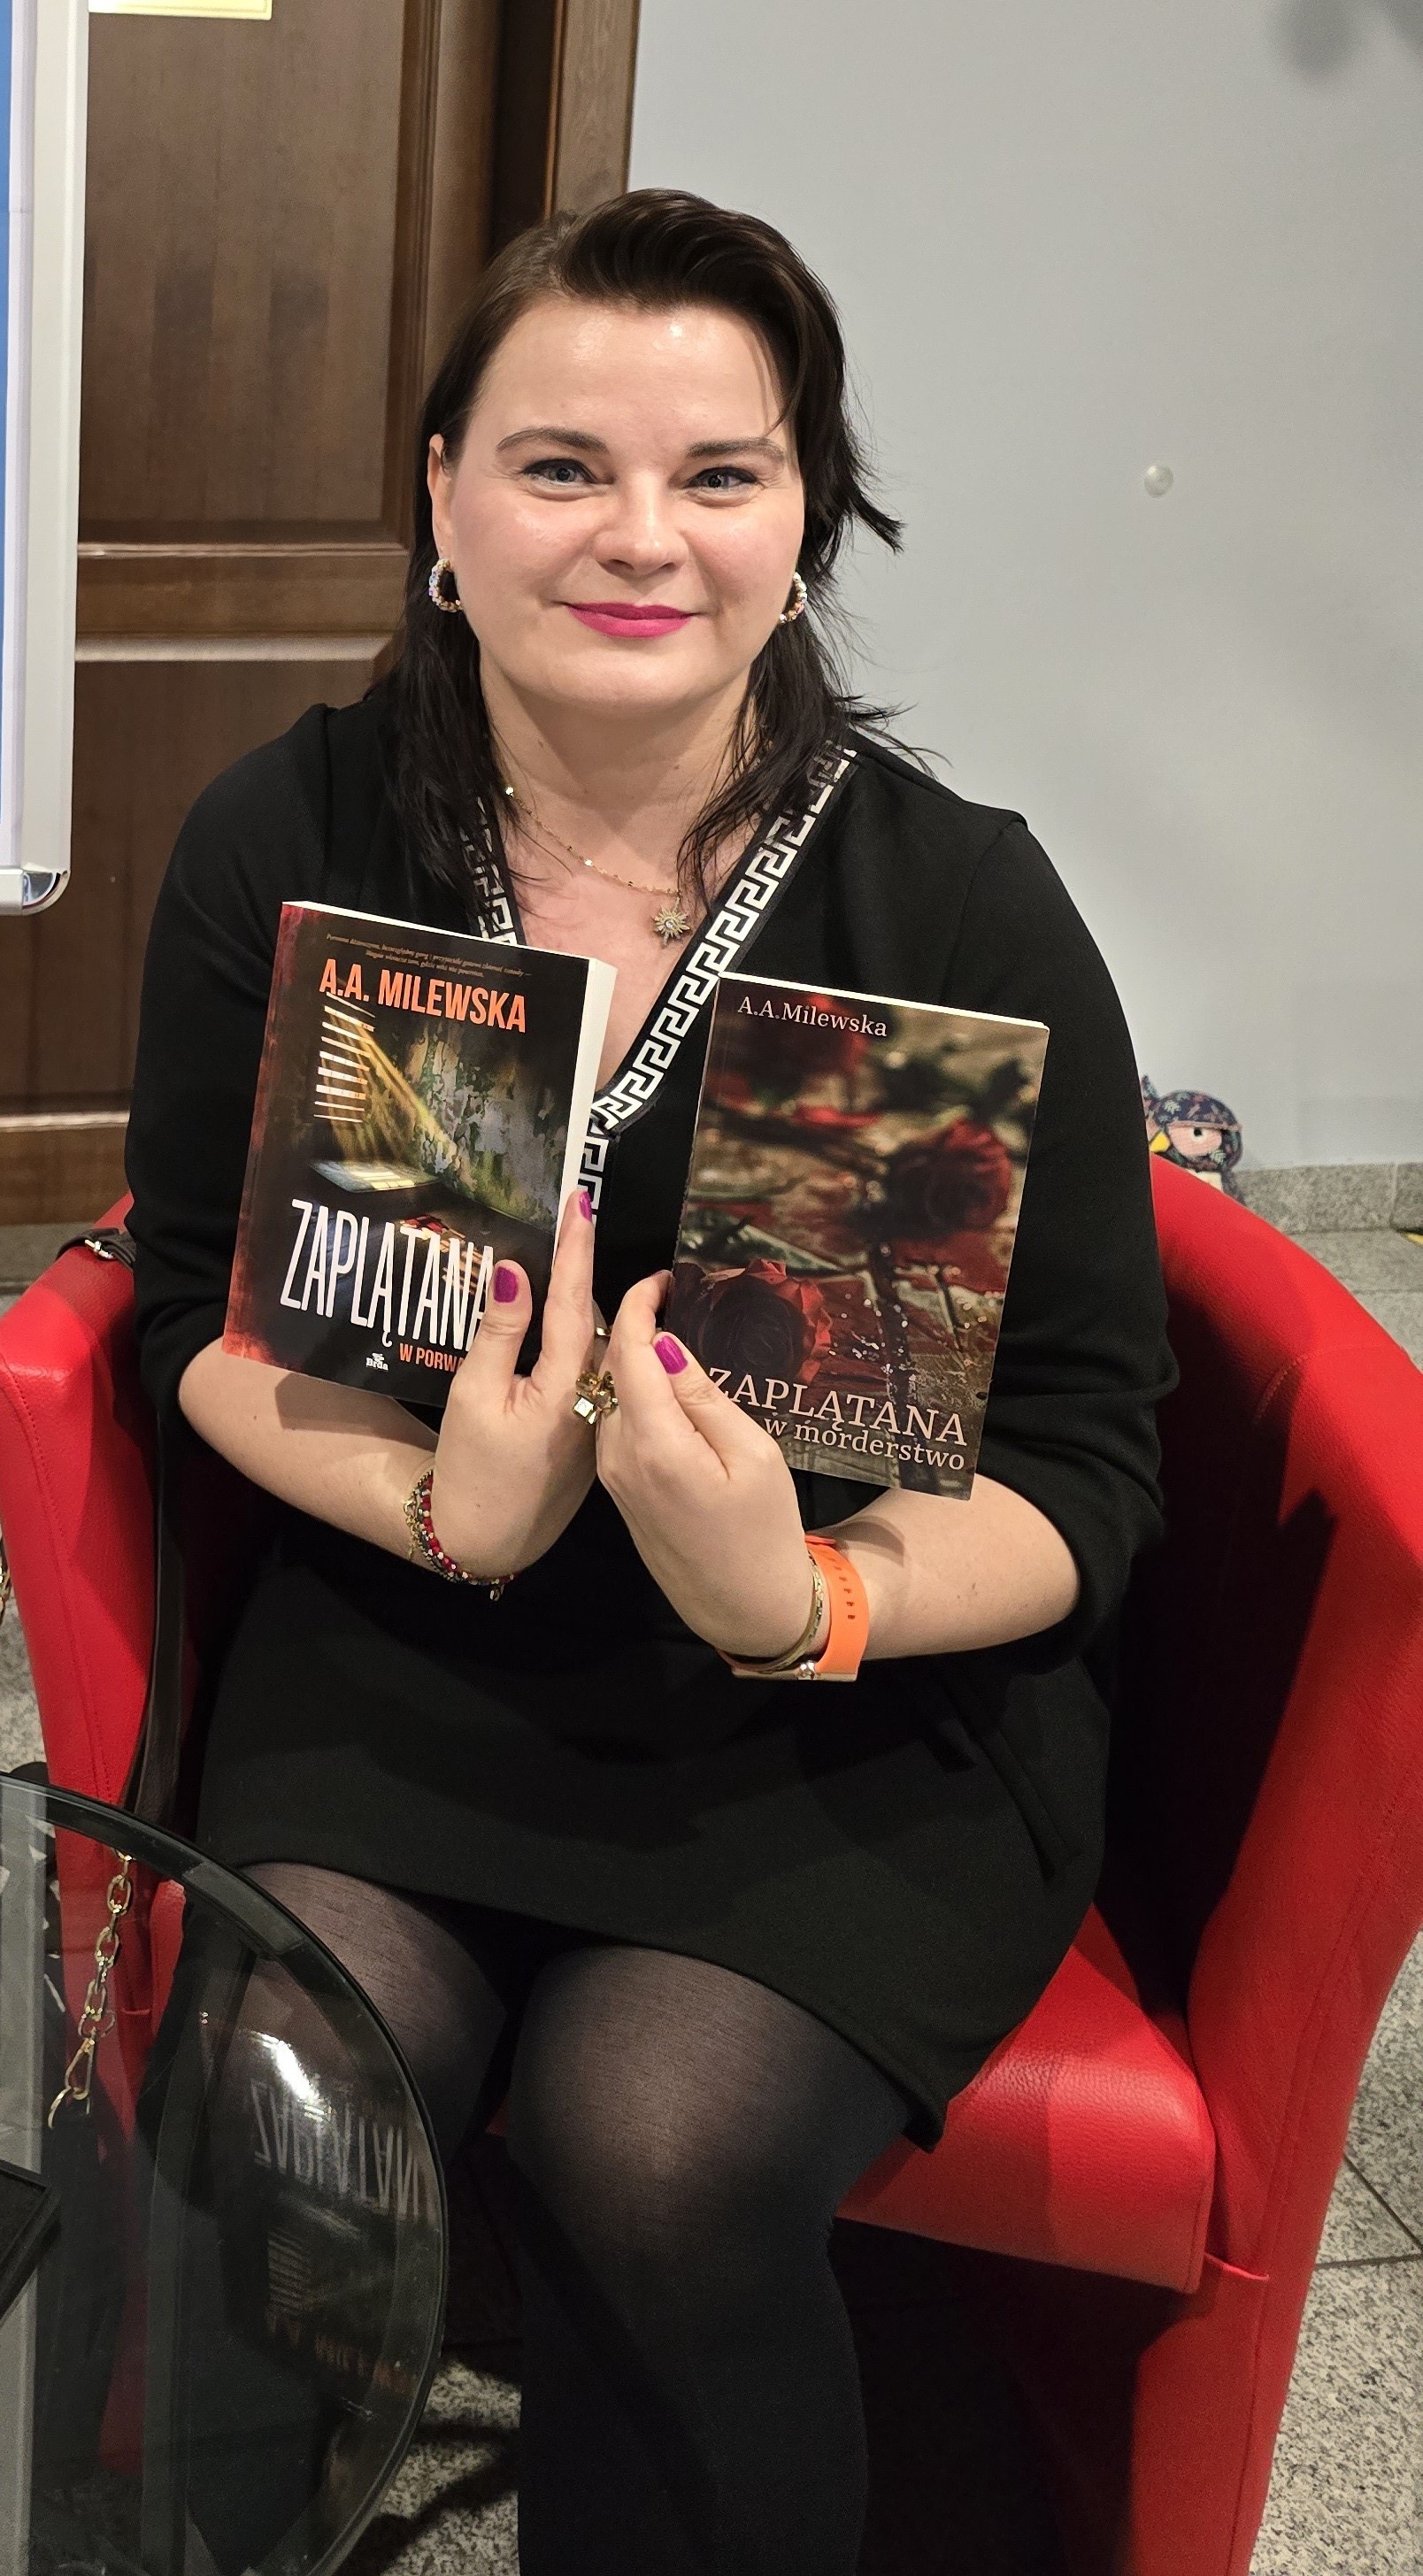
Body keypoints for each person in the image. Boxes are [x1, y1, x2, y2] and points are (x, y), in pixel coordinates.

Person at [125, 191, 1169, 2576]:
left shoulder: (945, 904)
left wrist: (795, 1592)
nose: (639, 536)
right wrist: (443, 1511)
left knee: (657, 2140)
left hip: (844, 1693)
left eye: (719, 473)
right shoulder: (297, 839)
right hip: (411, 1630)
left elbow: (1084, 1461)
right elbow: (198, 1308)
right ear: (441, 497)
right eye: (559, 465)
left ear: (802, 522)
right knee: (292, 2086)